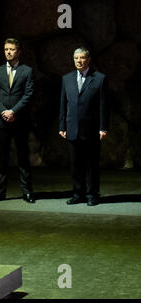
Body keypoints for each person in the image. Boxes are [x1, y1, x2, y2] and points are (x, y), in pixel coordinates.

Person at [59, 47, 109, 206]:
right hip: (72, 128)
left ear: (88, 60)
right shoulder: (66, 78)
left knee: (91, 165)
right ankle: (77, 193)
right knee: (75, 164)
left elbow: (104, 105)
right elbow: (63, 104)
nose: (79, 61)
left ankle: (92, 194)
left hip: (91, 129)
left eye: (82, 58)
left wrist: (103, 127)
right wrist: (62, 126)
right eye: (76, 58)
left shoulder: (100, 78)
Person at [0, 38, 35, 204]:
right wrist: (3, 111)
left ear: (19, 51)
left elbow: (28, 95)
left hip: (20, 120)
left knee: (23, 156)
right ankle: (0, 192)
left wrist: (13, 111)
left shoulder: (27, 71)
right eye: (6, 49)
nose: (8, 52)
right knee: (2, 157)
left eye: (12, 49)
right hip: (2, 121)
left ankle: (27, 191)